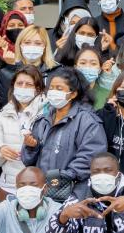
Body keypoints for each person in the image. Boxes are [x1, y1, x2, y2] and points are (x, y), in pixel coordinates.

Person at [21, 66, 107, 200]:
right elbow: (28, 161)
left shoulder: (87, 120)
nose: (53, 92)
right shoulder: (43, 119)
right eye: (51, 88)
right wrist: (31, 147)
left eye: (59, 89)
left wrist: (63, 176)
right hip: (43, 192)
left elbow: (91, 156)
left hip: (73, 193)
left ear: (73, 94)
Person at [0, 66, 46, 200]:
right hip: (8, 187)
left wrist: (33, 146)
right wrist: (0, 150)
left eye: (29, 84)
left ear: (37, 89)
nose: (23, 87)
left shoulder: (47, 114)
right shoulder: (3, 115)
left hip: (38, 188)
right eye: (19, 83)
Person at [0, 24, 57, 110]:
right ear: (20, 45)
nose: (32, 46)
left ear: (45, 46)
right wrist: (12, 69)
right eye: (27, 42)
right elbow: (1, 102)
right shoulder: (7, 70)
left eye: (38, 43)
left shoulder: (55, 71)